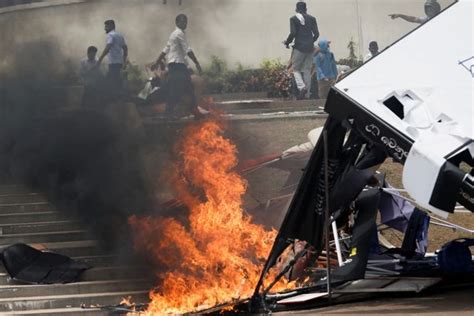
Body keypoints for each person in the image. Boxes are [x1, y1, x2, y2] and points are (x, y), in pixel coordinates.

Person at [153, 14, 203, 119]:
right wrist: (197, 63)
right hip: (177, 66)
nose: (185, 24)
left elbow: (165, 49)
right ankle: (168, 114)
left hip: (179, 66)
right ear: (177, 23)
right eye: (182, 21)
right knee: (176, 91)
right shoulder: (179, 33)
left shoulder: (173, 34)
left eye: (186, 21)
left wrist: (157, 62)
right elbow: (187, 49)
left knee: (189, 89)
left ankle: (195, 110)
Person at [284, 1, 319, 100]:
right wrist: (310, 41)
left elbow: (293, 33)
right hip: (310, 48)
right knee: (307, 70)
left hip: (299, 47)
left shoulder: (293, 19)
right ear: (306, 9)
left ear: (296, 9)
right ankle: (307, 94)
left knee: (296, 69)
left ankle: (302, 87)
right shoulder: (312, 19)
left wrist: (287, 42)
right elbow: (316, 34)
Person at [97, 20, 128, 95]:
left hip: (113, 64)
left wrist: (100, 60)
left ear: (111, 26)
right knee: (116, 83)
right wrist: (124, 61)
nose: (105, 29)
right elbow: (125, 48)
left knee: (110, 84)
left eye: (106, 26)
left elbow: (108, 47)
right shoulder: (120, 35)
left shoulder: (110, 35)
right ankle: (118, 101)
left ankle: (114, 101)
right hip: (119, 64)